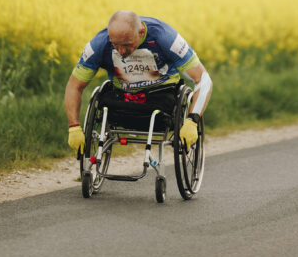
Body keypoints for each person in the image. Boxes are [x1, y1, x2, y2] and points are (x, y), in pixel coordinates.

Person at [64, 10, 212, 154]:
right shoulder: (99, 44)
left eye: (127, 45)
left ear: (141, 33)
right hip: (123, 96)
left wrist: (192, 120)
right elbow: (74, 86)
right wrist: (74, 127)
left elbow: (203, 79)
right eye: (115, 45)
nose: (121, 51)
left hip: (162, 93)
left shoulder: (165, 37)